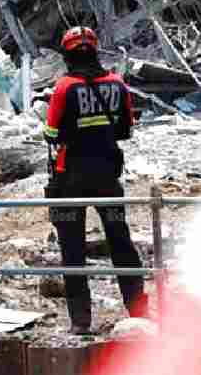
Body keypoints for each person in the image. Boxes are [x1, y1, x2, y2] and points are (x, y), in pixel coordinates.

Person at [43, 26, 149, 334]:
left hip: (70, 178)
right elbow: (126, 130)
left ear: (68, 54)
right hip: (107, 176)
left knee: (72, 249)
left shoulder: (64, 88)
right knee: (121, 243)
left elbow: (50, 134)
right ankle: (138, 309)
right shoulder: (117, 84)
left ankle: (80, 321)